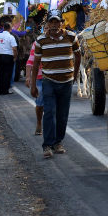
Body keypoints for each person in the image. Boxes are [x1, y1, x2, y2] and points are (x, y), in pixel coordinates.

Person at [30, 10, 81, 159]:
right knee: (50, 112)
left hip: (66, 82)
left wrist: (75, 75)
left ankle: (58, 142)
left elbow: (78, 56)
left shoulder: (71, 37)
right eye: (51, 22)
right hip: (49, 81)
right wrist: (33, 85)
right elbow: (36, 64)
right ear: (47, 24)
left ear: (61, 23)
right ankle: (47, 145)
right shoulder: (41, 40)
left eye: (56, 22)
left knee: (62, 114)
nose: (54, 25)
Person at [25, 23, 46, 136]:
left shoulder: (60, 42)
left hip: (55, 77)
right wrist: (28, 77)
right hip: (40, 77)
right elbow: (30, 62)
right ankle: (39, 122)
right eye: (46, 28)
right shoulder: (37, 44)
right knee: (40, 102)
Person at [0, 22, 17, 95]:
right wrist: (15, 57)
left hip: (0, 55)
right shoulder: (11, 37)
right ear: (10, 28)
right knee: (7, 73)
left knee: (0, 73)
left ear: (3, 28)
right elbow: (14, 48)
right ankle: (5, 90)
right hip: (9, 56)